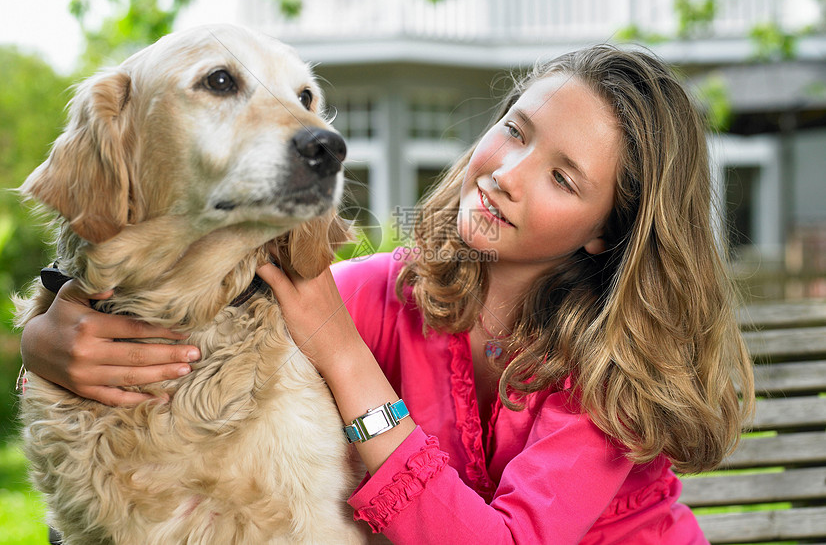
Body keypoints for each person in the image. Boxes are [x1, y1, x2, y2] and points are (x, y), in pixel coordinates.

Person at [20, 45, 754, 543]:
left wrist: (346, 359)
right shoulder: (391, 290)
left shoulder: (617, 372)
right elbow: (199, 322)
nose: (508, 173)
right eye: (514, 131)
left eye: (563, 178)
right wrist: (50, 337)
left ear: (606, 232)